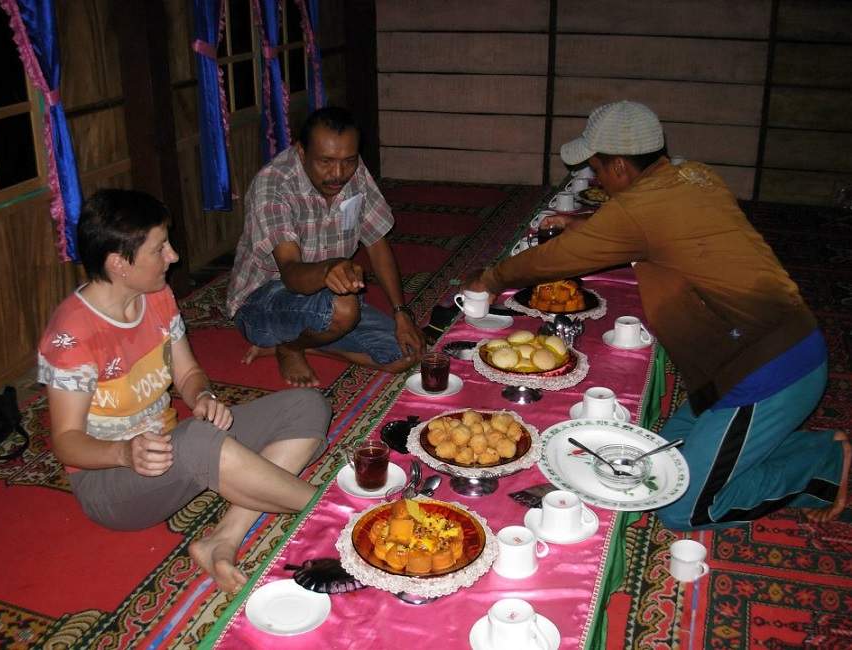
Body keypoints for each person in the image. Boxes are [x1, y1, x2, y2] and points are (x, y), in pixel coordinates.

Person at [468, 100, 849, 530]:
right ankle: (774, 446)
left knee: (681, 506)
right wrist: (587, 224)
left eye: (595, 168)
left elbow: (553, 261)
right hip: (739, 363)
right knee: (652, 464)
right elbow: (656, 224)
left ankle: (824, 464)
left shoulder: (640, 209)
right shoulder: (695, 175)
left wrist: (493, 278)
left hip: (769, 371)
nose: (594, 178)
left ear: (617, 167)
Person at [38, 189, 331, 592]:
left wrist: (203, 397)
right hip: (110, 480)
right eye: (160, 249)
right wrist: (124, 451)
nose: (173, 256)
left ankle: (221, 541)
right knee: (196, 440)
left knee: (307, 406)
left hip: (174, 447)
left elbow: (188, 371)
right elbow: (67, 443)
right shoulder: (72, 333)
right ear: (119, 264)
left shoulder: (157, 295)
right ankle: (337, 511)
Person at [227, 106, 425, 387]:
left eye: (348, 161)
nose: (338, 174)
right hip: (264, 303)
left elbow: (377, 244)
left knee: (404, 356)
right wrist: (328, 270)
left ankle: (303, 344)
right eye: (326, 162)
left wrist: (400, 313)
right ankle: (291, 346)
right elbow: (291, 273)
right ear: (301, 153)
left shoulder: (351, 171)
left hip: (325, 299)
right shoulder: (273, 186)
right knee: (344, 308)